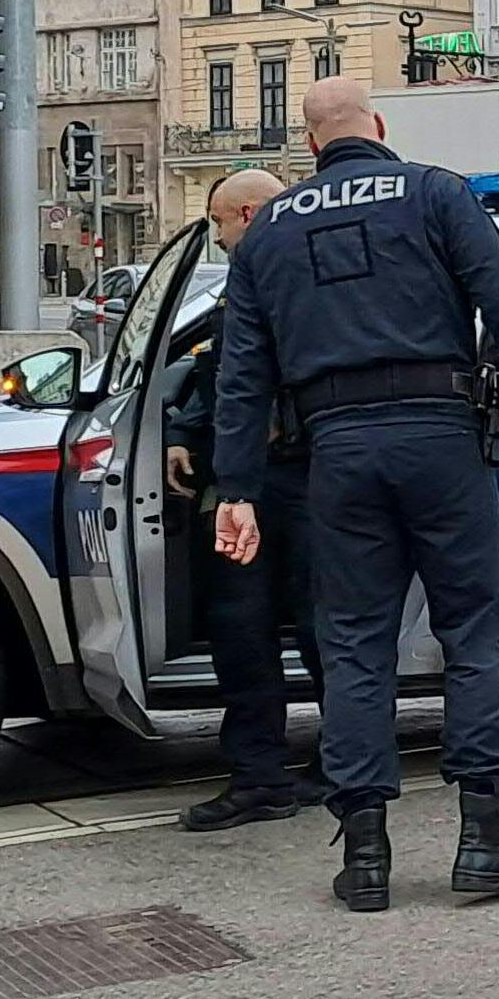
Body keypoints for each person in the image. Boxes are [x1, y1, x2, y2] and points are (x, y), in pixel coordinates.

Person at [215, 76, 499, 914]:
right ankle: (487, 840)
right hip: (442, 441)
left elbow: (243, 376)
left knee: (352, 645)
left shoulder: (268, 227)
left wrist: (236, 489)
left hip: (335, 456)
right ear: (377, 128)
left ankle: (367, 855)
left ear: (309, 146)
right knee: (475, 632)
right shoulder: (433, 192)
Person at [164, 168, 326, 832]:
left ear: (250, 214)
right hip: (248, 479)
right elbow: (222, 371)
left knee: (326, 630)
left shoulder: (315, 267)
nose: (220, 240)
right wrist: (180, 430)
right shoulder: (249, 281)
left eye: (220, 225)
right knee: (240, 631)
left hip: (307, 475)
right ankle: (260, 775)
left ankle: (342, 767)